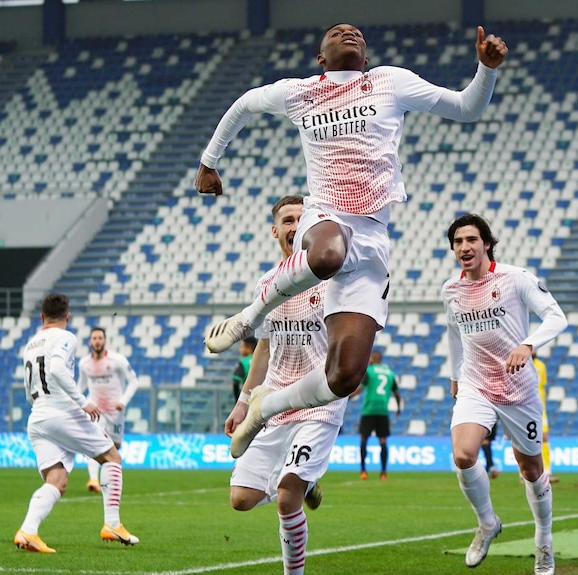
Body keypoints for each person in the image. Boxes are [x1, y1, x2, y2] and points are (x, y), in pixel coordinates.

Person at [193, 23, 508, 459]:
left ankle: (268, 406)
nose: (349, 32)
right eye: (337, 31)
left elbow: (465, 107)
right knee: (326, 254)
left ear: (366, 53)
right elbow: (243, 104)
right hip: (324, 214)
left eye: (357, 32)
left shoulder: (389, 81)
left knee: (344, 376)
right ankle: (247, 318)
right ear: (320, 57)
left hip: (373, 238)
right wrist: (209, 162)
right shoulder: (299, 91)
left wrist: (486, 69)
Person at [224, 195, 347, 575]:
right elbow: (263, 347)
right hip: (272, 403)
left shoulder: (331, 282)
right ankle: (307, 485)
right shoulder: (268, 283)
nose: (294, 226)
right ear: (275, 230)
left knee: (285, 496)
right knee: (241, 499)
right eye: (287, 220)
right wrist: (243, 403)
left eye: (300, 219)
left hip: (319, 401)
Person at [442, 214, 567, 575]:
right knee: (463, 454)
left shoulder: (515, 278)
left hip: (518, 388)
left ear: (486, 243)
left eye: (471, 240)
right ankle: (487, 523)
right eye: (458, 242)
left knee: (530, 469)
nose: (465, 247)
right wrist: (454, 375)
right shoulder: (451, 290)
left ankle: (544, 540)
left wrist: (528, 345)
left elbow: (557, 317)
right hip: (475, 385)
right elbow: (453, 333)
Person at [15, 294, 138, 553]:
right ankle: (113, 524)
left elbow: (28, 389)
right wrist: (83, 401)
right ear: (67, 316)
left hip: (37, 416)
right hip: (62, 413)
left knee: (56, 480)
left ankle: (27, 531)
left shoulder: (30, 344)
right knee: (112, 457)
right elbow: (58, 370)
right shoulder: (66, 337)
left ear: (41, 317)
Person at [77, 327, 140, 494]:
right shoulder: (84, 363)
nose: (97, 341)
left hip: (114, 410)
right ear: (90, 342)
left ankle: (107, 479)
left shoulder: (117, 360)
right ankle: (93, 480)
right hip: (95, 410)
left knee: (114, 447)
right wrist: (76, 401)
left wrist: (123, 401)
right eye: (94, 338)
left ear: (104, 341)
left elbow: (134, 381)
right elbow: (81, 385)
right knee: (94, 443)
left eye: (100, 338)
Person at [351, 349, 400, 480]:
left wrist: (347, 397)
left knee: (363, 439)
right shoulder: (390, 373)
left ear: (374, 358)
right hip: (383, 411)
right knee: (383, 441)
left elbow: (359, 389)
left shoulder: (369, 371)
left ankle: (363, 471)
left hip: (369, 410)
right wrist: (399, 408)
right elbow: (397, 393)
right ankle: (383, 472)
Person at [532, 350, 560, 484]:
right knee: (524, 439)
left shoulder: (541, 366)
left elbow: (541, 386)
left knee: (543, 438)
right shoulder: (520, 364)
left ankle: (547, 471)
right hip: (524, 407)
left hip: (540, 408)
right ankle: (524, 472)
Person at [232, 336, 258, 400]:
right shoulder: (264, 360)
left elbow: (236, 382)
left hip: (249, 399)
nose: (240, 349)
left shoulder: (243, 362)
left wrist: (237, 400)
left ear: (248, 349)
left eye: (242, 346)